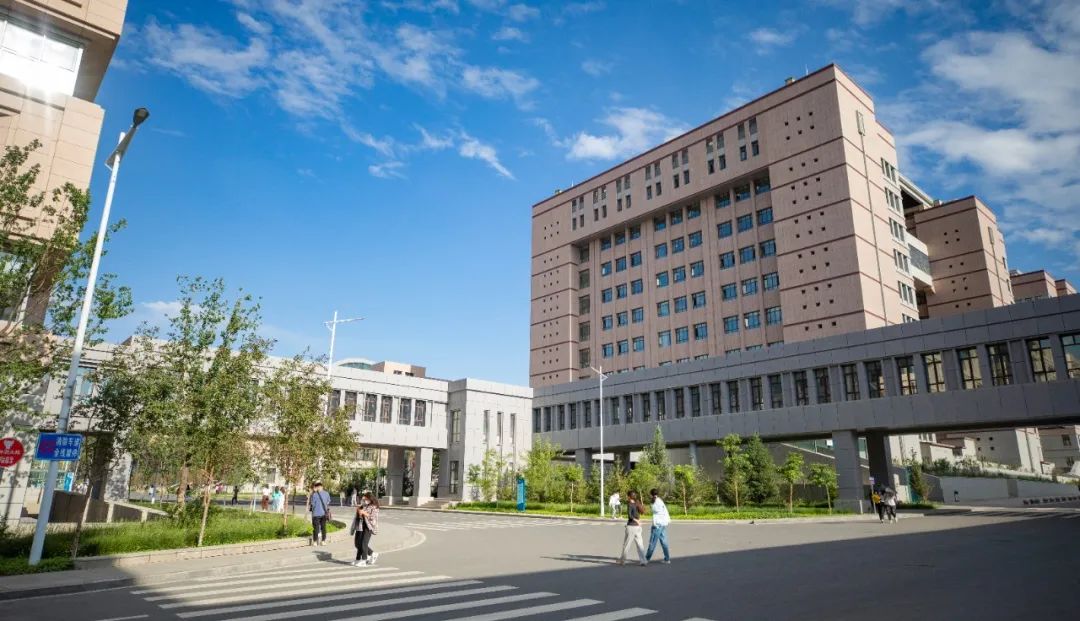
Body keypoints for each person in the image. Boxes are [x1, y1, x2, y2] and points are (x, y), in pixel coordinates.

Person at [617, 491, 647, 566]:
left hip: (631, 527)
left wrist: (636, 520)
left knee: (626, 545)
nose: (627, 497)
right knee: (640, 545)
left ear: (629, 497)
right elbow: (641, 512)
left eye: (627, 496)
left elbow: (630, 516)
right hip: (638, 528)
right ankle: (643, 561)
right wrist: (638, 521)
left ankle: (622, 561)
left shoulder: (630, 504)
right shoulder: (637, 503)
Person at [351, 492, 380, 566]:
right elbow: (360, 514)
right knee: (357, 544)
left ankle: (363, 560)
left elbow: (373, 517)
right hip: (360, 525)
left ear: (370, 498)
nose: (365, 501)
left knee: (364, 543)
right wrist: (359, 511)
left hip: (369, 527)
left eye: (366, 499)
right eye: (364, 499)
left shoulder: (374, 507)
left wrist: (364, 513)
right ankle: (361, 558)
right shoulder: (364, 505)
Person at [645, 488, 671, 565]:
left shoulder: (654, 502)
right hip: (663, 523)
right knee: (664, 541)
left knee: (652, 542)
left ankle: (646, 559)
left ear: (651, 494)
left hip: (657, 525)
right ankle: (667, 559)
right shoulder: (660, 500)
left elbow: (654, 510)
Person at [310, 481, 332, 545]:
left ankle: (315, 541)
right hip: (323, 513)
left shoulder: (314, 494)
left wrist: (313, 493)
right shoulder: (326, 493)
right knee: (323, 528)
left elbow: (312, 504)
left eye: (317, 487)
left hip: (316, 514)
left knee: (316, 528)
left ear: (317, 487)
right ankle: (323, 541)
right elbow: (328, 502)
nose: (317, 488)